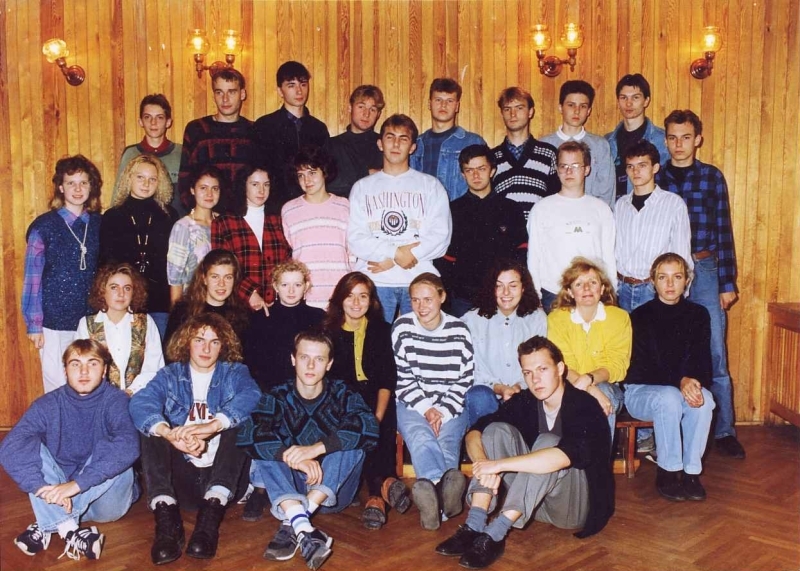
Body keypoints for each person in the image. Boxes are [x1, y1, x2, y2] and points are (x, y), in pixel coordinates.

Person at [435, 336, 613, 569]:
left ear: (560, 369)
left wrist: (498, 465)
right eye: (528, 373)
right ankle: (474, 524)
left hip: (572, 508)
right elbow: (475, 432)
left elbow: (561, 456)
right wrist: (483, 463)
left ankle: (495, 534)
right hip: (531, 503)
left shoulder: (584, 405)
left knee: (548, 442)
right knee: (495, 430)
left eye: (542, 369)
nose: (535, 379)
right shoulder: (526, 400)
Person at [238, 330, 378, 570]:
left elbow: (370, 427)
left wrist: (315, 449)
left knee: (353, 443)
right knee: (265, 448)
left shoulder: (342, 393)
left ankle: (292, 522)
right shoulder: (278, 396)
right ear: (293, 359)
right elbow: (247, 434)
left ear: (329, 364)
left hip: (332, 494)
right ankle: (303, 527)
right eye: (304, 357)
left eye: (319, 359)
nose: (311, 366)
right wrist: (293, 457)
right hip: (291, 489)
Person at [129, 313, 260, 564]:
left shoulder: (235, 372)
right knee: (151, 426)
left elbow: (251, 394)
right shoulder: (170, 375)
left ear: (223, 346)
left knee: (242, 421)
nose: (206, 349)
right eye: (199, 340)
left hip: (224, 483)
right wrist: (169, 434)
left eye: (214, 342)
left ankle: (208, 524)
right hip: (183, 483)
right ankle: (167, 521)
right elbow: (141, 402)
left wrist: (213, 425)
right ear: (187, 342)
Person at [656, 109, 745, 459]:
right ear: (665, 141)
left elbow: (723, 229)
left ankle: (724, 431)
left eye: (686, 137)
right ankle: (672, 427)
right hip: (668, 272)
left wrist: (727, 282)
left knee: (715, 350)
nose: (679, 144)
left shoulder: (711, 177)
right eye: (672, 138)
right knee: (668, 346)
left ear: (698, 140)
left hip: (705, 267)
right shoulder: (657, 176)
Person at [0, 339, 139, 561]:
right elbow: (10, 446)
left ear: (104, 370)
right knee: (28, 444)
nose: (83, 371)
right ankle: (68, 529)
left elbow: (129, 445)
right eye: (75, 364)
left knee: (117, 451)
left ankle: (47, 522)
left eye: (92, 363)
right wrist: (39, 487)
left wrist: (75, 485)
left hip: (105, 503)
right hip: (60, 494)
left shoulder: (116, 400)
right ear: (65, 371)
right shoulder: (48, 404)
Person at [624, 253, 715, 501]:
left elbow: (702, 361)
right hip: (642, 392)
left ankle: (691, 472)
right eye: (663, 277)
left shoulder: (698, 314)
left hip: (679, 388)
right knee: (669, 397)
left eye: (677, 277)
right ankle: (668, 470)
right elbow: (643, 367)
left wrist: (693, 382)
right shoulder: (640, 316)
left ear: (687, 280)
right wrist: (680, 381)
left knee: (704, 400)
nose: (670, 284)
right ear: (653, 281)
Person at [324, 271, 410, 530]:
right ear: (340, 299)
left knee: (379, 425)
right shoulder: (327, 331)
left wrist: (378, 416)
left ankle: (376, 496)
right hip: (342, 400)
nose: (356, 302)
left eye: (363, 296)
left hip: (376, 396)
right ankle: (384, 484)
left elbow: (386, 380)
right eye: (350, 296)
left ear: (371, 301)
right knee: (358, 427)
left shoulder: (382, 330)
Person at [347, 114, 452, 323]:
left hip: (419, 279)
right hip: (375, 281)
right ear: (380, 143)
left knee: (420, 340)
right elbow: (355, 239)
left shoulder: (430, 185)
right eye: (390, 137)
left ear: (412, 147)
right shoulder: (362, 187)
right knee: (376, 341)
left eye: (403, 139)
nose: (396, 144)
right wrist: (396, 253)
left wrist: (394, 259)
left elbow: (441, 238)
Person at [392, 273, 473, 531]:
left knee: (447, 441)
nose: (421, 306)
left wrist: (442, 411)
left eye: (427, 299)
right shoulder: (402, 328)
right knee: (421, 436)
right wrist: (426, 409)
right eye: (415, 300)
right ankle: (442, 497)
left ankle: (434, 500)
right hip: (412, 401)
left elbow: (465, 378)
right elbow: (402, 377)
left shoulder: (459, 330)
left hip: (451, 403)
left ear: (442, 297)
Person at [23, 155, 103, 392]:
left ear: (91, 186)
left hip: (91, 320)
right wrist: (34, 325)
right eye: (71, 183)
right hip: (53, 321)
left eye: (83, 183)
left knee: (90, 384)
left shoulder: (100, 224)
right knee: (57, 385)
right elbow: (33, 279)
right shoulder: (43, 227)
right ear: (60, 187)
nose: (78, 189)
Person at [527, 141, 616, 312]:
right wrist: (535, 296)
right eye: (563, 166)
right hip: (553, 294)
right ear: (557, 169)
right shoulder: (541, 208)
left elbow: (609, 257)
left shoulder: (602, 209)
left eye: (575, 166)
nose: (568, 171)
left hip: (591, 295)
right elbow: (534, 257)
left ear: (586, 169)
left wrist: (611, 294)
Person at [547, 257, 631, 438]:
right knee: (589, 399)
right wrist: (590, 387)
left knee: (603, 393)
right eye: (579, 284)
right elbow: (563, 365)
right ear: (570, 292)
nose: (586, 288)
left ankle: (598, 457)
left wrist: (590, 379)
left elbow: (617, 365)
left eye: (592, 282)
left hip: (608, 388)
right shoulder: (556, 319)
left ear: (602, 289)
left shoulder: (619, 318)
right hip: (567, 386)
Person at [437, 145, 523, 316]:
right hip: (463, 299)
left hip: (503, 296)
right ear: (463, 174)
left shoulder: (511, 209)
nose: (475, 175)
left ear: (492, 171)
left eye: (481, 169)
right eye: (469, 170)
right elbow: (444, 260)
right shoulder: (453, 210)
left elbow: (521, 254)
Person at [461, 260, 547, 426]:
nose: (506, 292)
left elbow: (540, 363)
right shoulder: (471, 320)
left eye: (513, 286)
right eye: (499, 286)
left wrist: (518, 386)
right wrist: (498, 387)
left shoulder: (537, 319)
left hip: (524, 391)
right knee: (479, 396)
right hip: (487, 394)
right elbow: (471, 368)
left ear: (523, 288)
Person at [101, 154, 175, 338]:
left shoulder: (169, 216)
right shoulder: (112, 216)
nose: (146, 183)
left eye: (152, 179)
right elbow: (104, 263)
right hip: (124, 301)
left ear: (160, 183)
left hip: (160, 302)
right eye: (140, 177)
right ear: (129, 178)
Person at [614, 140, 692, 312]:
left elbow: (682, 254)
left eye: (642, 165)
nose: (635, 171)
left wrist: (680, 295)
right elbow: (616, 249)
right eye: (630, 166)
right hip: (622, 289)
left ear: (655, 168)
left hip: (654, 289)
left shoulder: (673, 204)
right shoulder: (621, 205)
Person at [211, 163, 291, 311]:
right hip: (240, 306)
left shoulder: (279, 220)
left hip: (278, 304)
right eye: (255, 184)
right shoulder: (224, 223)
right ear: (243, 186)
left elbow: (287, 261)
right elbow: (223, 267)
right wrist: (251, 293)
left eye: (266, 185)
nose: (261, 190)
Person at [76, 262, 164, 394]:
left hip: (139, 396)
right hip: (100, 398)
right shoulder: (86, 324)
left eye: (127, 288)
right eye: (114, 287)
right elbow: (81, 368)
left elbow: (154, 367)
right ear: (102, 291)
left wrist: (131, 391)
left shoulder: (146, 323)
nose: (121, 293)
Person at [177, 69, 258, 212]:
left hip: (245, 215)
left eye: (231, 92)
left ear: (242, 94)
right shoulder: (197, 130)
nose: (225, 99)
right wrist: (199, 214)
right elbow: (185, 178)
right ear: (213, 95)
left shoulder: (254, 131)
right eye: (219, 92)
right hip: (207, 216)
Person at [491, 87, 559, 253]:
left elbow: (556, 199)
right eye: (507, 109)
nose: (513, 114)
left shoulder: (549, 154)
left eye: (519, 108)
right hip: (503, 242)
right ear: (502, 113)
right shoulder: (492, 157)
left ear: (530, 112)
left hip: (540, 239)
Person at [282, 146, 351, 309]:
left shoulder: (344, 206)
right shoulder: (289, 210)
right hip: (306, 295)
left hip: (340, 294)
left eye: (312, 173)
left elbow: (352, 252)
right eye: (301, 175)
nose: (307, 180)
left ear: (324, 172)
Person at [253, 61, 330, 202]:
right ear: (280, 91)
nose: (299, 91)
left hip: (311, 202)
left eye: (303, 84)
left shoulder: (318, 128)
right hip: (275, 203)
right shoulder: (264, 126)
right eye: (291, 85)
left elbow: (325, 171)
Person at [245, 260, 325, 392]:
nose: (291, 290)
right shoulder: (260, 318)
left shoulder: (319, 317)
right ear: (275, 286)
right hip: (269, 390)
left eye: (297, 285)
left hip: (307, 390)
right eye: (285, 285)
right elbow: (252, 363)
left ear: (306, 286)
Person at [541, 80, 615, 209]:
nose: (577, 111)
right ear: (560, 107)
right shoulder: (544, 145)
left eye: (583, 106)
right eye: (571, 105)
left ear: (589, 110)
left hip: (590, 215)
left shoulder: (600, 145)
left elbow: (607, 192)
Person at [410, 77, 487, 201]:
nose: (443, 105)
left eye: (449, 101)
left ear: (457, 106)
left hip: (459, 212)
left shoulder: (473, 142)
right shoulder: (415, 145)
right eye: (438, 100)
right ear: (429, 104)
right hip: (423, 211)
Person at [164, 248, 250, 349]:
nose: (221, 284)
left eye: (228, 277)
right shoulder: (182, 312)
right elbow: (170, 352)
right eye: (215, 277)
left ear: (234, 280)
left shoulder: (241, 316)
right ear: (204, 279)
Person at [114, 94, 184, 216]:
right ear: (141, 121)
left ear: (168, 122)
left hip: (175, 223)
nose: (153, 123)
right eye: (148, 117)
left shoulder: (181, 153)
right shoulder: (130, 154)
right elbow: (118, 194)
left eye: (159, 117)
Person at [605, 73, 668, 200]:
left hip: (648, 208)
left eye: (635, 97)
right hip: (613, 209)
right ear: (618, 101)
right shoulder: (607, 141)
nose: (628, 104)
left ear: (646, 101)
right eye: (623, 97)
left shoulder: (662, 140)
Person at [167, 165, 222, 306]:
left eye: (215, 188)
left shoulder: (224, 223)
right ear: (192, 190)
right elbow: (175, 279)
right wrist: (177, 314)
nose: (209, 194)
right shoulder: (183, 227)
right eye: (203, 188)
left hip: (222, 303)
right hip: (194, 305)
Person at [326, 84, 385, 198]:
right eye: (361, 107)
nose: (366, 114)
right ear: (350, 108)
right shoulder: (332, 145)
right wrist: (367, 173)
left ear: (378, 114)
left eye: (372, 109)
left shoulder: (384, 144)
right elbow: (328, 184)